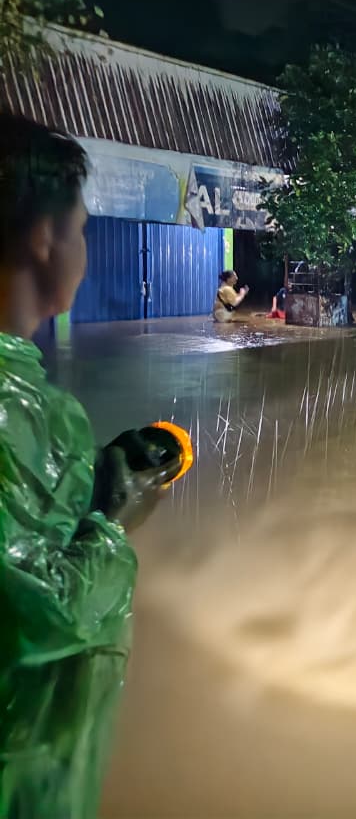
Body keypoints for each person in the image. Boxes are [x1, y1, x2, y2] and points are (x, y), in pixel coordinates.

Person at [0, 113, 172, 818]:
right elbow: (40, 614)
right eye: (82, 230)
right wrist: (110, 521)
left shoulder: (31, 402)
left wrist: (91, 483)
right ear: (45, 240)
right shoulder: (12, 409)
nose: (84, 250)